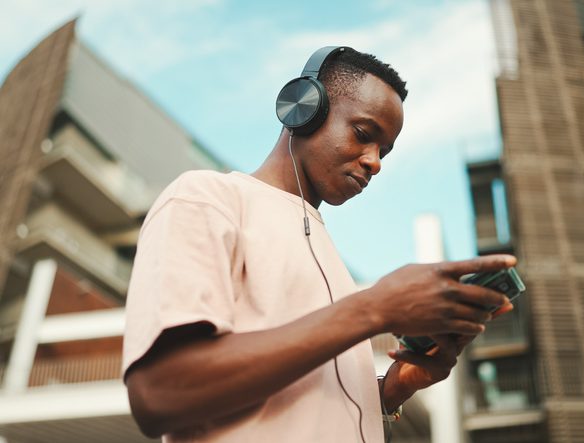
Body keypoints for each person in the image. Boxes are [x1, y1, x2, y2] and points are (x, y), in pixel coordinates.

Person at [122, 47, 515, 443]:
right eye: (364, 134)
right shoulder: (207, 198)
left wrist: (390, 391)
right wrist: (374, 308)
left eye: (385, 152)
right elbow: (159, 393)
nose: (375, 162)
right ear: (303, 109)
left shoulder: (330, 261)